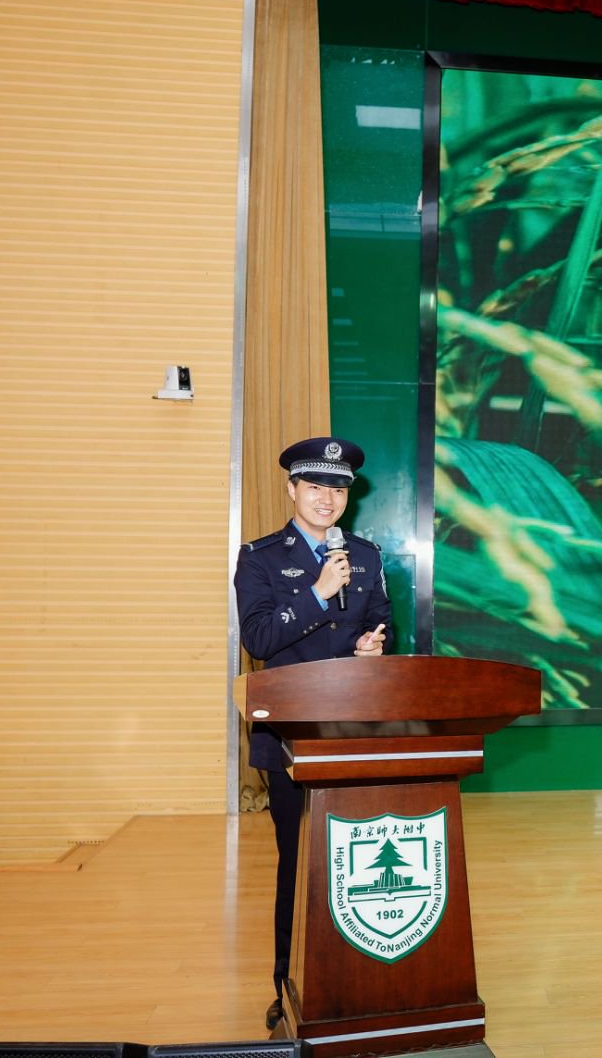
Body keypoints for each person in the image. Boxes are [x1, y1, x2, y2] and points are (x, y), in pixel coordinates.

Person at [234, 436, 392, 1030]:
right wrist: (319, 593)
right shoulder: (260, 558)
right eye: (316, 487)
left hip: (356, 733)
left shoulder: (366, 555)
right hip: (293, 741)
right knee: (298, 867)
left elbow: (382, 622)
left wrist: (373, 644)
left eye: (338, 489)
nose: (328, 498)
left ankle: (357, 980)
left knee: (357, 864)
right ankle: (289, 984)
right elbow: (259, 640)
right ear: (292, 489)